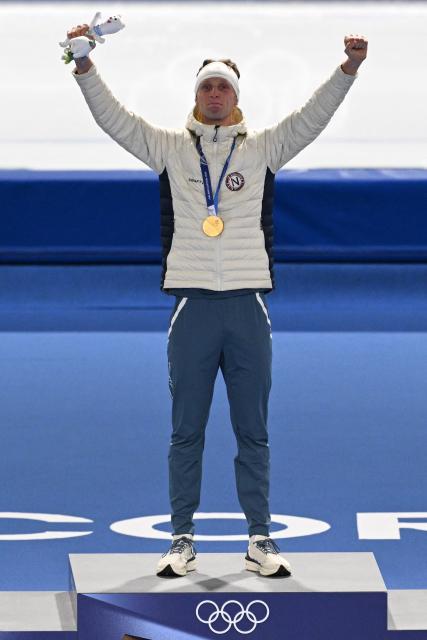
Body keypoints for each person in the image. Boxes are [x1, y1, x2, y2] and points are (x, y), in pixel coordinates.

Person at [68, 23, 368, 578]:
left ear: (236, 97)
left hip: (248, 308)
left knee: (253, 431)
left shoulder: (263, 149)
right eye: (206, 86)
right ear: (195, 96)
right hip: (193, 310)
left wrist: (347, 69)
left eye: (222, 87)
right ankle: (181, 538)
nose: (213, 94)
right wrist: (84, 67)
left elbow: (313, 116)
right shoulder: (167, 148)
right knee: (187, 430)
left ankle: (260, 539)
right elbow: (112, 118)